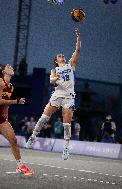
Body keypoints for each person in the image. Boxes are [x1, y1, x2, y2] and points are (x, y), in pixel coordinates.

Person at [26, 28, 81, 160]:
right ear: (56, 60)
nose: (62, 56)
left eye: (63, 55)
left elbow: (78, 50)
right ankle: (33, 136)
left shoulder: (70, 65)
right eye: (59, 55)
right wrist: (54, 79)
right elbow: (51, 80)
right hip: (57, 95)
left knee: (67, 124)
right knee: (44, 118)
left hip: (69, 97)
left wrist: (78, 38)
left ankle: (66, 149)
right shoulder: (54, 69)